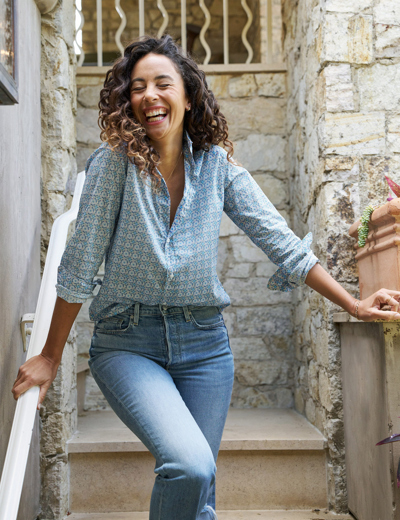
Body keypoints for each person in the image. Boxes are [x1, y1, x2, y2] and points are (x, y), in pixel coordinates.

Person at [12, 35, 400, 520]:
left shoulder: (218, 167)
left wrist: (355, 305)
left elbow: (281, 241)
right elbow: (78, 265)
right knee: (190, 466)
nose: (148, 94)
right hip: (129, 343)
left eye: (161, 82)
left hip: (205, 348)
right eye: (137, 87)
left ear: (188, 94)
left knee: (201, 498)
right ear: (127, 102)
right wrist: (50, 356)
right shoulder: (113, 166)